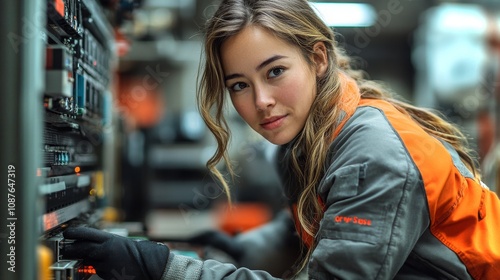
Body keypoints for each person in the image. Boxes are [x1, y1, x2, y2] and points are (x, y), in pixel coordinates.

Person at [62, 0, 500, 279]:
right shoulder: (314, 137)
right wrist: (231, 249)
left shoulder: (373, 154)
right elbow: (305, 232)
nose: (262, 101)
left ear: (318, 58)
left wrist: (165, 269)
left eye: (275, 72)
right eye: (239, 85)